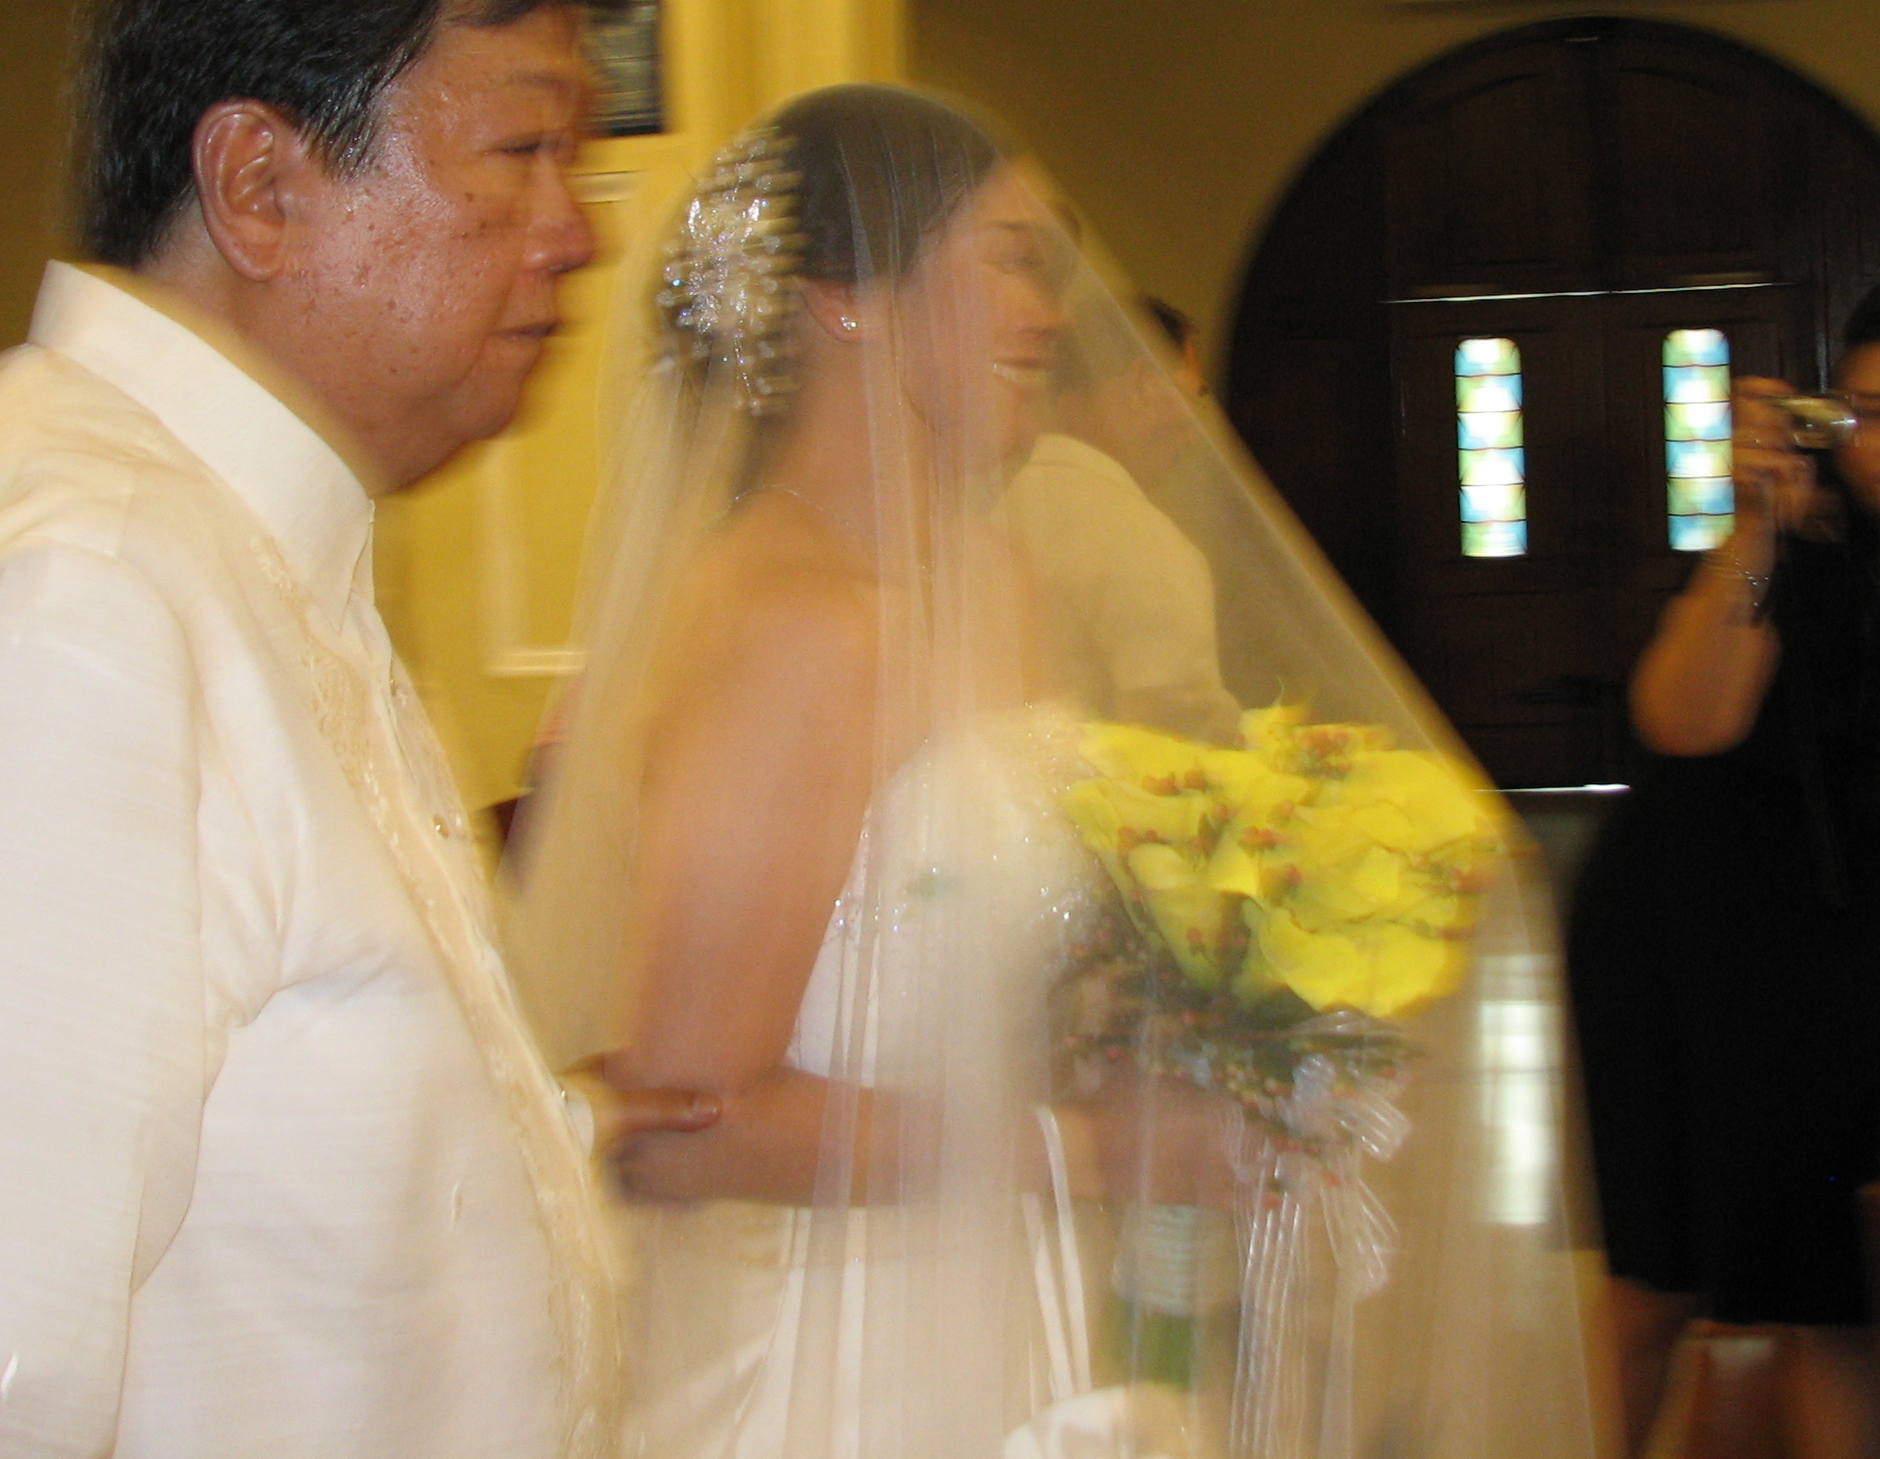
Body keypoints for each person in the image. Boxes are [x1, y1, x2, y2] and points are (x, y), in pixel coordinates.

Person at [0, 0, 717, 1459]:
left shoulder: (231, 554)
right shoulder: (60, 605)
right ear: (261, 187)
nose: (576, 233)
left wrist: (549, 1131)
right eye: (520, 151)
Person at [506, 84, 1601, 1458]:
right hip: (831, 1354)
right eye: (1010, 260)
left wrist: (1197, 1025)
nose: (1046, 315)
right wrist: (1096, 1148)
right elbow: (682, 1130)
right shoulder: (793, 623)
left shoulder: (993, 580)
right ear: (846, 297)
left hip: (1013, 1293)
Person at [1566, 276, 1880, 1459]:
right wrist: (1755, 531)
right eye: (1876, 414)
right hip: (1677, 929)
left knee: (1834, 1281)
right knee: (1660, 1277)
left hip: (1836, 953)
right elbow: (1680, 721)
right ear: (1834, 433)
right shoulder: (1806, 550)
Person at [1006, 296, 1240, 742]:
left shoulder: (990, 507)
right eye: (1192, 397)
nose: (1192, 436)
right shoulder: (1142, 539)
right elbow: (1181, 728)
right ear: (1141, 382)